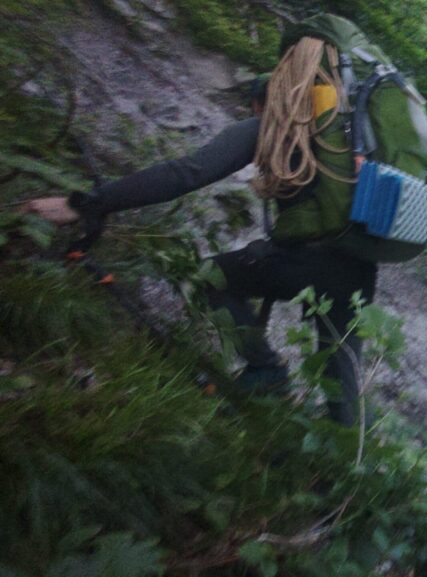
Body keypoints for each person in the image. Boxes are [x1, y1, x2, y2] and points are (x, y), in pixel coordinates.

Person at [24, 25, 388, 426]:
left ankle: (266, 371)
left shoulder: (272, 127)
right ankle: (349, 473)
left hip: (306, 262)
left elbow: (184, 174)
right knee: (344, 391)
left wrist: (87, 204)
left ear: (265, 99)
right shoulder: (356, 136)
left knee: (210, 277)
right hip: (358, 269)